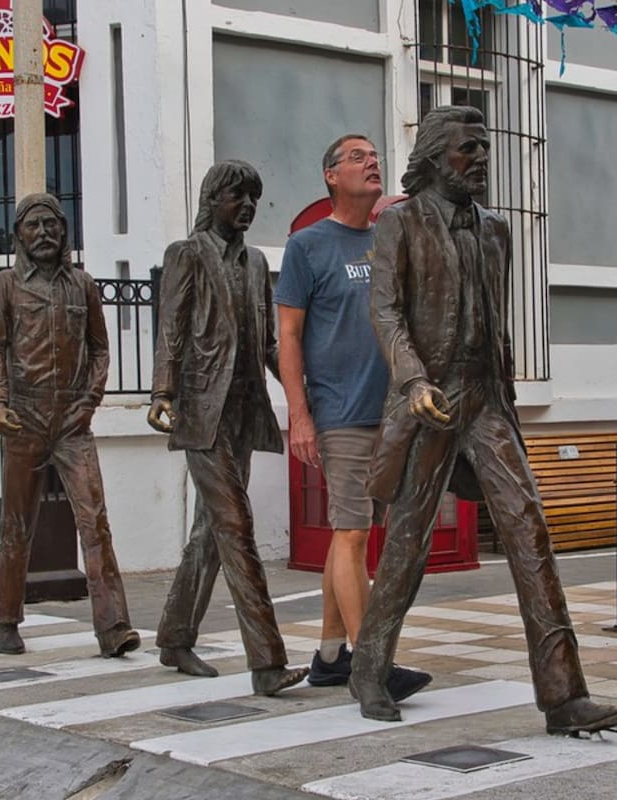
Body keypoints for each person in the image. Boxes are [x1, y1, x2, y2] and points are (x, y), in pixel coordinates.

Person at [347, 105, 617, 736]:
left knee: (530, 532)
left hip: (485, 402)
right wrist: (413, 378)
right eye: (466, 149)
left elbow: (494, 325)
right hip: (430, 402)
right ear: (435, 156)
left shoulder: (497, 230)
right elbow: (386, 313)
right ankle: (369, 669)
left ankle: (563, 695)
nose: (480, 160)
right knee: (409, 542)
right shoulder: (401, 224)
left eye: (485, 149)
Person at [275, 134, 429, 702]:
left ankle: (331, 656)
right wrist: (300, 415)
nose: (373, 162)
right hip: (339, 413)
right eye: (358, 156)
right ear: (330, 176)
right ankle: (372, 664)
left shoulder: (389, 240)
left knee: (353, 535)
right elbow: (287, 336)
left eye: (375, 156)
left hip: (391, 414)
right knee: (351, 530)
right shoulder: (308, 247)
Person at [148, 160, 308, 696]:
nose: (247, 207)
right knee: (237, 530)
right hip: (202, 412)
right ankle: (267, 662)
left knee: (210, 534)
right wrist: (162, 393)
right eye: (237, 196)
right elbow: (171, 326)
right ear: (212, 198)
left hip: (242, 413)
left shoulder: (259, 263)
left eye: (254, 200)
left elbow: (267, 341)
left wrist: (299, 389)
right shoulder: (187, 255)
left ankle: (174, 636)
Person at [0, 193, 140, 658]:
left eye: (52, 224)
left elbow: (100, 349)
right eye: (33, 225)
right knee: (17, 524)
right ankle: (5, 618)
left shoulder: (84, 285)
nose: (44, 233)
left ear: (65, 232)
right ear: (19, 235)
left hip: (73, 421)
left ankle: (113, 627)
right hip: (24, 417)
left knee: (95, 522)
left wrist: (90, 401)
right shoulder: (5, 287)